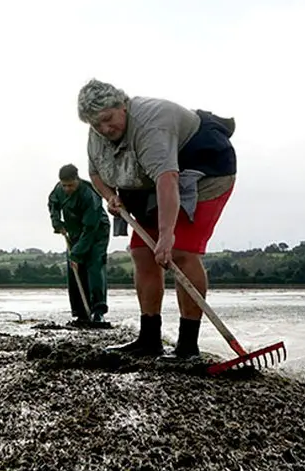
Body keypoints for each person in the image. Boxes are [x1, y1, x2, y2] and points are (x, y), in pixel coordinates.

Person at [77, 78, 238, 361]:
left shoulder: (150, 124)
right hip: (150, 184)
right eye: (96, 124)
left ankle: (188, 346)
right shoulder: (98, 134)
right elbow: (95, 174)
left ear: (122, 105)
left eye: (108, 119)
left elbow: (167, 179)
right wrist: (110, 196)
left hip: (206, 172)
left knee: (181, 251)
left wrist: (166, 235)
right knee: (141, 252)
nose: (104, 129)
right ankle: (149, 339)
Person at [48, 163, 110, 323]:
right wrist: (57, 222)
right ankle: (81, 312)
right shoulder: (59, 189)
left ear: (77, 179)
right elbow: (53, 203)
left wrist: (76, 254)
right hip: (74, 231)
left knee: (94, 265)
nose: (67, 189)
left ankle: (98, 311)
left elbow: (90, 229)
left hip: (96, 231)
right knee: (74, 269)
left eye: (70, 185)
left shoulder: (90, 195)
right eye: (64, 185)